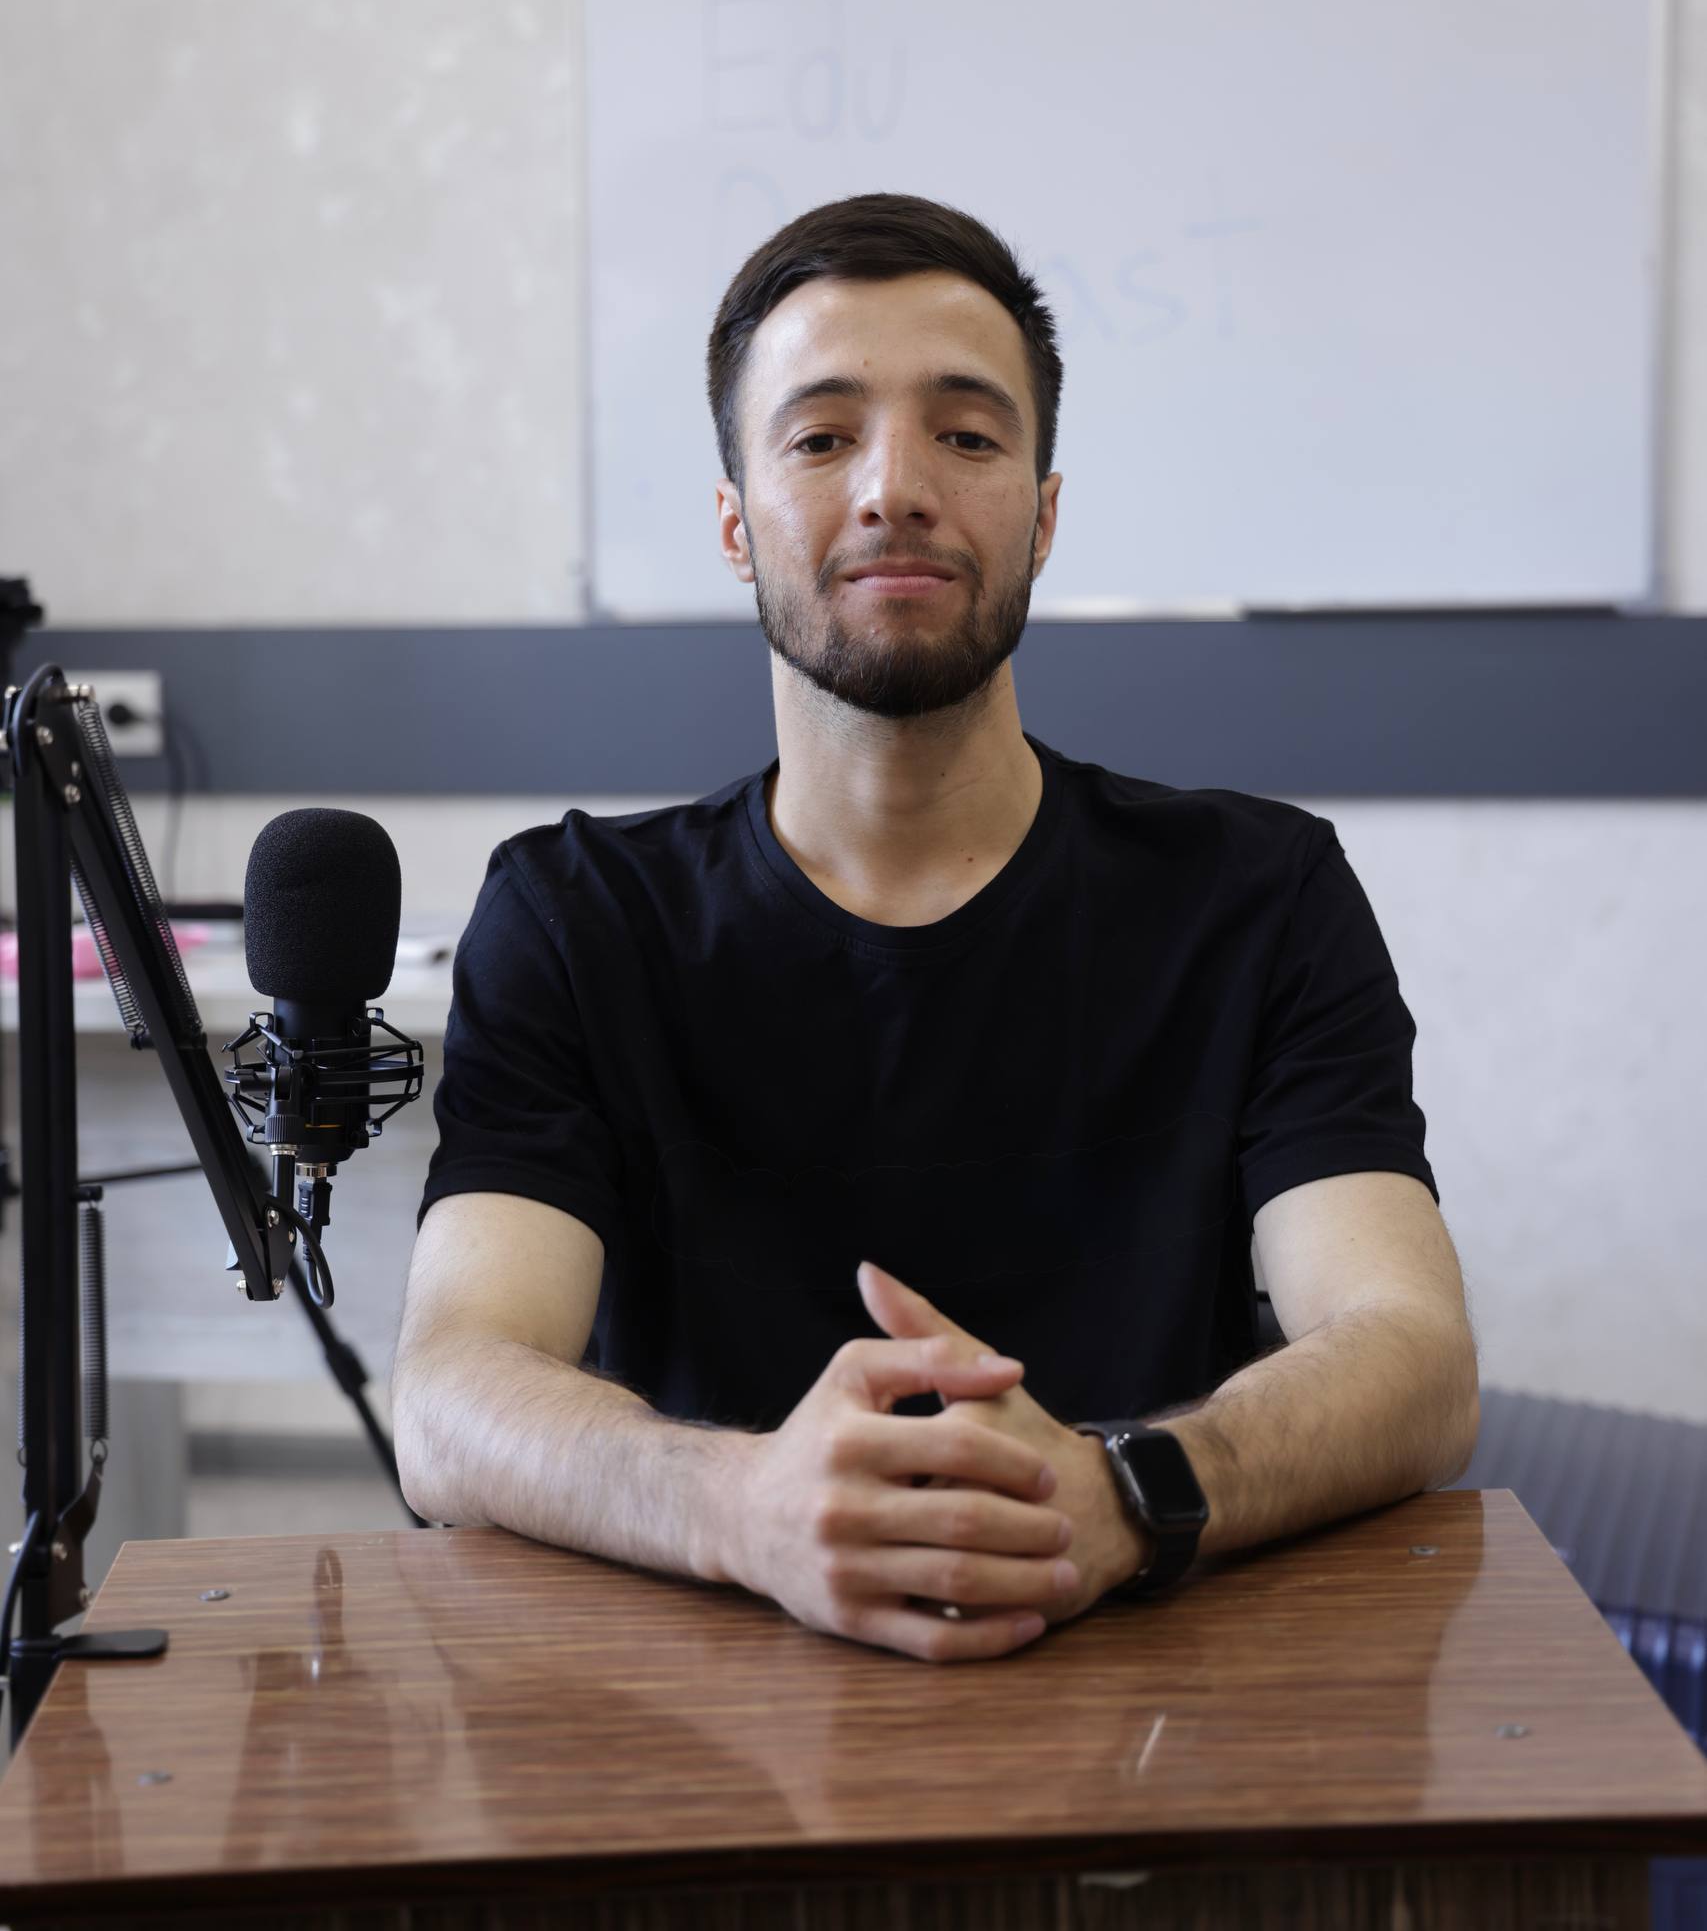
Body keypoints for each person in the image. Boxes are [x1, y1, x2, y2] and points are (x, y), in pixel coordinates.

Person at [393, 193, 1478, 1664]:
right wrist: (744, 1505)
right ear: (736, 523)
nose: (894, 487)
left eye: (966, 436)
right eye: (821, 436)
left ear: (1041, 513)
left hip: (1168, 1693)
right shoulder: (575, 915)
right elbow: (453, 1390)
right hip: (705, 1718)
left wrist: (1119, 1493)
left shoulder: (1258, 895)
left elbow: (1413, 1357)